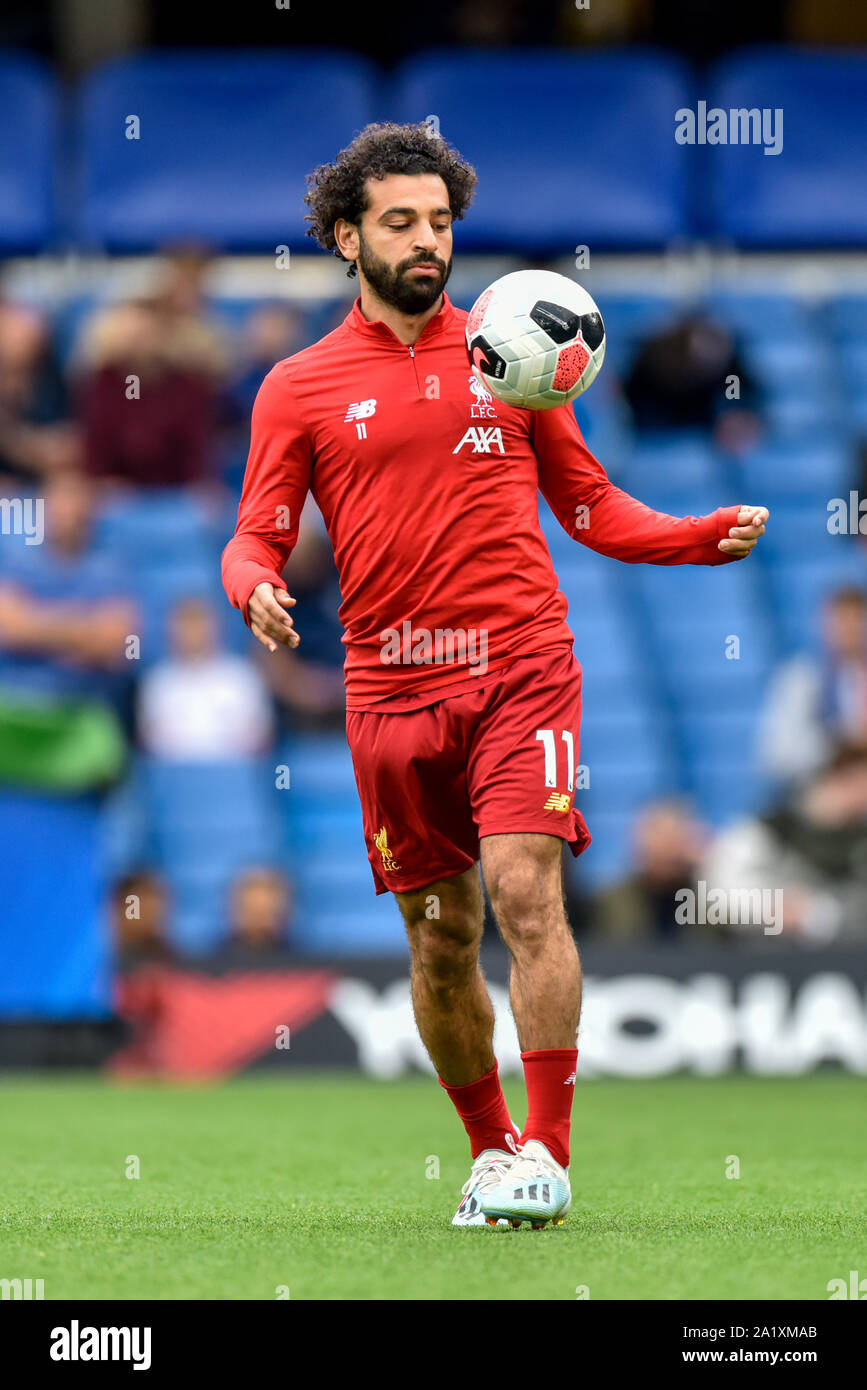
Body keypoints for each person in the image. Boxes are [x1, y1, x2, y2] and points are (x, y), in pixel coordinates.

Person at [221, 122, 769, 1229]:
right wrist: (255, 589)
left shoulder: (514, 349)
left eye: (440, 222)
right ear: (345, 238)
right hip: (388, 692)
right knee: (440, 934)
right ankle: (491, 1150)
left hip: (521, 664)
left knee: (526, 887)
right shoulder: (299, 385)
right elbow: (253, 536)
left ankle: (550, 1156)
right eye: (401, 223)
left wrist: (693, 533)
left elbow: (588, 503)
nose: (429, 242)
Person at [137, 596, 275, 760]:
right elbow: (151, 739)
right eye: (186, 624)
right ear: (171, 630)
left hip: (231, 772)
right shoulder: (156, 681)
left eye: (199, 623)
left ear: (216, 627)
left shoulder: (243, 676)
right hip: (175, 775)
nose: (193, 632)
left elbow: (260, 736)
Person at [759, 586, 867, 788]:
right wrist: (839, 742)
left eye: (857, 620)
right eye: (842, 621)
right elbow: (777, 755)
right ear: (824, 625)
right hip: (822, 789)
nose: (850, 629)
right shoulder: (801, 679)